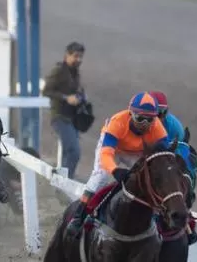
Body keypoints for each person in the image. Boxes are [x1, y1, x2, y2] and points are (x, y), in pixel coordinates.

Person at [65, 92, 168, 239]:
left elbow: (163, 158)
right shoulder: (118, 121)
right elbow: (106, 154)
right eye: (140, 118)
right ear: (130, 114)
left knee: (150, 177)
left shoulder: (158, 129)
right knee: (100, 176)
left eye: (150, 120)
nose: (144, 124)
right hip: (114, 149)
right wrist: (115, 170)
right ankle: (78, 216)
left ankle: (158, 217)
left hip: (135, 152)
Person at [42, 41, 86, 180]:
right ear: (67, 55)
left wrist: (80, 97)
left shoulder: (75, 72)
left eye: (80, 57)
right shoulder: (59, 70)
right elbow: (46, 90)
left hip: (71, 118)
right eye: (75, 56)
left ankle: (62, 183)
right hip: (60, 117)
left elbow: (76, 90)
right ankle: (65, 183)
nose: (78, 60)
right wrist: (66, 98)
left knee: (69, 151)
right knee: (73, 151)